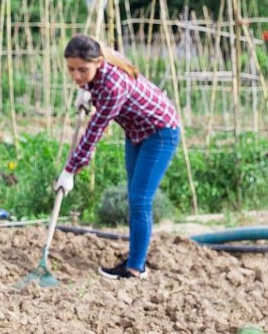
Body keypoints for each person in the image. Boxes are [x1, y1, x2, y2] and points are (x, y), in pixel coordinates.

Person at [53, 34, 181, 280]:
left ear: (99, 62)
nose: (76, 76)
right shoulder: (99, 74)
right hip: (136, 131)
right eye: (71, 69)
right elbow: (91, 86)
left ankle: (135, 268)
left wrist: (69, 170)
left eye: (82, 70)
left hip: (161, 132)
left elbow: (94, 132)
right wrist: (87, 90)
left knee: (140, 199)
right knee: (136, 197)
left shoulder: (113, 86)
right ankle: (136, 258)